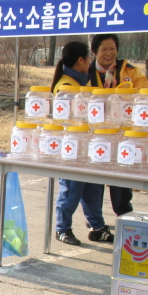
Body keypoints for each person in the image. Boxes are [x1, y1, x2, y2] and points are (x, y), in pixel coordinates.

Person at [52, 42, 112, 245]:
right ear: (81, 60)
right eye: (89, 58)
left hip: (86, 146)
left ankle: (97, 227)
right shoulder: (67, 86)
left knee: (93, 189)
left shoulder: (79, 83)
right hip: (72, 148)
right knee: (71, 189)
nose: (91, 63)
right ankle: (62, 229)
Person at [89, 34, 148, 225]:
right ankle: (94, 220)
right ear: (94, 52)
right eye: (104, 49)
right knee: (93, 179)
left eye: (112, 49)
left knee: (121, 178)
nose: (109, 54)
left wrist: (126, 92)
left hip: (123, 134)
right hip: (96, 134)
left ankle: (123, 216)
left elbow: (145, 90)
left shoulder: (129, 70)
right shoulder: (88, 72)